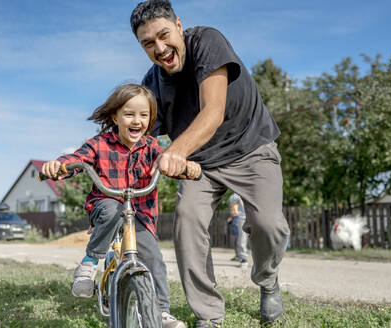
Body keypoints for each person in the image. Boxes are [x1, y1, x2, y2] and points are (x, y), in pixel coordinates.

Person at [130, 1, 290, 326]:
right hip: (199, 165)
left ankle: (268, 279)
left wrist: (175, 151)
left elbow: (213, 111)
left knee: (268, 225)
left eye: (163, 35)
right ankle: (208, 314)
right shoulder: (153, 84)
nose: (160, 48)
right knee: (187, 220)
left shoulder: (207, 41)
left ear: (178, 25)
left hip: (250, 149)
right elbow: (135, 132)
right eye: (148, 43)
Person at [41, 83, 200, 328]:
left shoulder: (151, 148)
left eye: (144, 115)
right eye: (129, 114)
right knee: (113, 210)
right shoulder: (100, 143)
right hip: (106, 205)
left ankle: (161, 312)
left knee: (154, 258)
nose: (137, 120)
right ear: (115, 116)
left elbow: (169, 162)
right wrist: (58, 166)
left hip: (140, 214)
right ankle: (90, 264)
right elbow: (77, 159)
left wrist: (185, 167)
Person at [227, 193, 249, 267]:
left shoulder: (236, 194)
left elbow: (232, 201)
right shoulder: (238, 194)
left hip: (243, 217)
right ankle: (243, 258)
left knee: (242, 238)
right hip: (244, 217)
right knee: (242, 238)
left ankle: (244, 258)